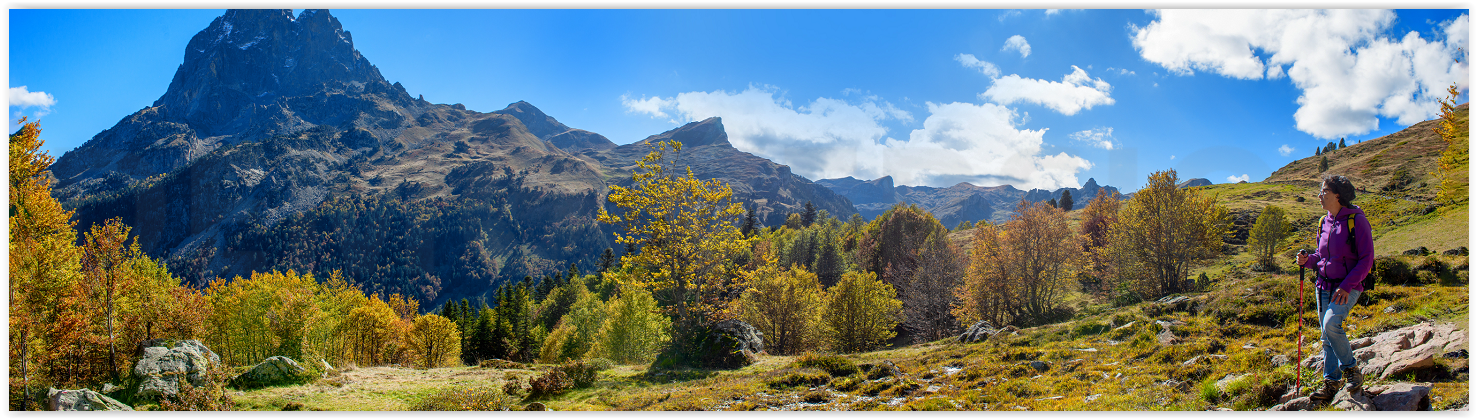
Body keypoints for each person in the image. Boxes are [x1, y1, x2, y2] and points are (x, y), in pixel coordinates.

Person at [1295, 175, 1374, 403]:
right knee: (1326, 336)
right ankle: (1331, 383)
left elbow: (1366, 259)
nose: (1320, 195)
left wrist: (1347, 286)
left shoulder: (1356, 220)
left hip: (1347, 287)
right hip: (1323, 286)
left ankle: (1351, 370)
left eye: (1324, 191)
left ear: (1337, 195)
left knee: (1331, 324)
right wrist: (1307, 260)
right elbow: (1321, 257)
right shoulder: (1324, 221)